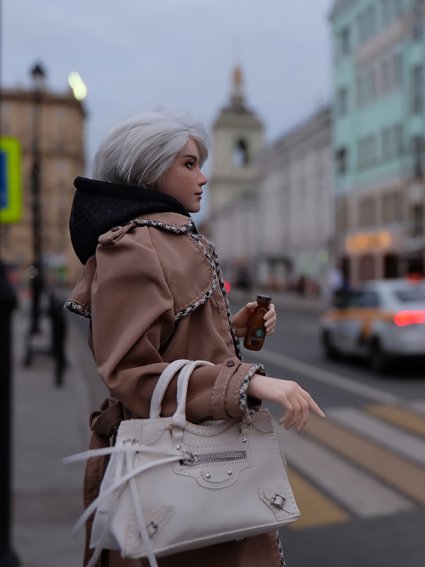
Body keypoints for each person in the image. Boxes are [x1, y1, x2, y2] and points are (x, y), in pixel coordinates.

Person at [65, 112, 325, 567]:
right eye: (188, 164)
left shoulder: (169, 237)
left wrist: (233, 328)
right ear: (149, 171)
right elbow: (131, 373)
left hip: (204, 458)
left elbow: (169, 338)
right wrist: (249, 382)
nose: (202, 177)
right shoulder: (134, 246)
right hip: (174, 468)